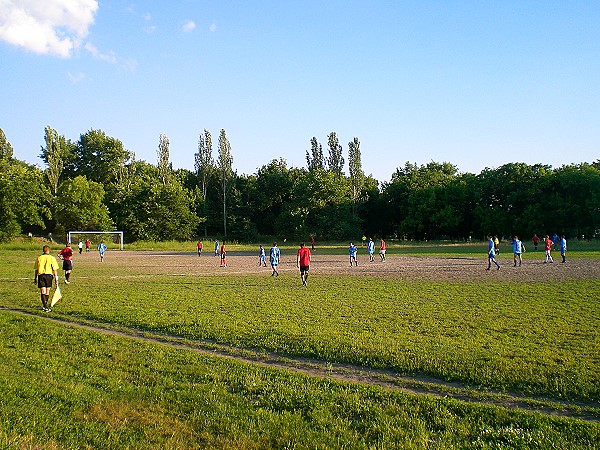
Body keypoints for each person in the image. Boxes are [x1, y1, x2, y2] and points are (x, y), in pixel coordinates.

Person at [34, 245, 59, 312]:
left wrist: (35, 278)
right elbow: (54, 269)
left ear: (43, 250)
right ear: (49, 250)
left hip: (41, 275)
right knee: (47, 291)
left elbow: (36, 269)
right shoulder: (52, 258)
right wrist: (56, 279)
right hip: (49, 275)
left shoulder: (39, 258)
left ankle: (44, 305)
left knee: (43, 291)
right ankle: (46, 305)